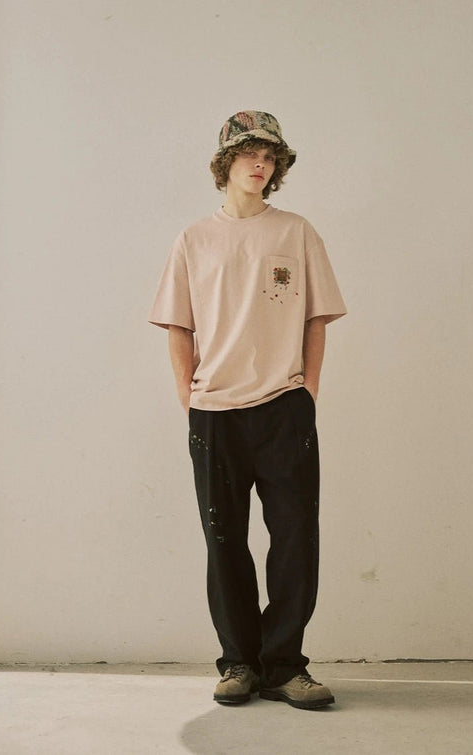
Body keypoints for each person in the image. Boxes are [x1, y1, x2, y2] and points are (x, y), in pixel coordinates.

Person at [149, 111, 347, 710]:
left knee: (295, 539)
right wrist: (189, 398)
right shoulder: (193, 240)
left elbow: (316, 317)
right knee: (224, 540)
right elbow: (178, 326)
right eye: (247, 153)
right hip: (214, 412)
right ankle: (238, 662)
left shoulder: (296, 232)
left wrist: (307, 393)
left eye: (269, 156)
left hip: (285, 407)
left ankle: (285, 666)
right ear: (225, 162)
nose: (259, 164)